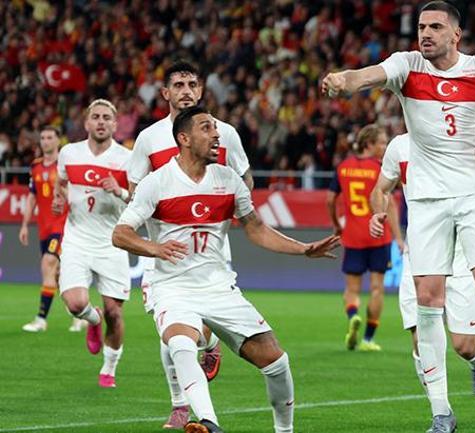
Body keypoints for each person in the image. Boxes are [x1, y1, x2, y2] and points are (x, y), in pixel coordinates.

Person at [322, 2, 475, 430]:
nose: (426, 33)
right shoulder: (407, 66)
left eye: (436, 27)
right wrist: (345, 80)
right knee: (427, 301)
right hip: (426, 203)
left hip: (474, 195)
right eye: (422, 26)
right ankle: (441, 412)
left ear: (456, 34)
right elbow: (367, 76)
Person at [113, 106, 339, 433]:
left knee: (276, 362)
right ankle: (209, 422)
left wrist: (303, 249)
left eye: (216, 128)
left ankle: (284, 430)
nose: (217, 134)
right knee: (181, 345)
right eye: (207, 128)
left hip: (220, 288)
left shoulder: (229, 180)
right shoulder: (156, 183)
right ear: (184, 138)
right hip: (174, 288)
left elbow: (256, 229)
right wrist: (155, 248)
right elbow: (121, 233)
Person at [127, 60, 253, 429]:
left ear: (201, 90)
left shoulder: (225, 134)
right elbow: (135, 188)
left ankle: (210, 345)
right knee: (172, 334)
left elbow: (244, 179)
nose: (186, 90)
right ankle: (180, 405)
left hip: (211, 252)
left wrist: (231, 213)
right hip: (165, 252)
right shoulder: (149, 138)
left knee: (196, 333)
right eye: (179, 85)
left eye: (192, 84)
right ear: (165, 93)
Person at [370, 132, 475, 403]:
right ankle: (440, 410)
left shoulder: (467, 138)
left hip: (461, 254)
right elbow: (379, 190)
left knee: (464, 346)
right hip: (420, 251)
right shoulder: (400, 146)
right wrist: (377, 213)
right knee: (420, 339)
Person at [53, 99, 133, 388]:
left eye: (106, 117)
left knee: (115, 312)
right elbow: (61, 183)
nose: (101, 121)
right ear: (86, 123)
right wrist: (59, 199)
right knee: (76, 304)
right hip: (77, 239)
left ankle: (109, 369)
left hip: (112, 242)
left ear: (115, 124)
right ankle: (92, 318)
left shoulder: (127, 159)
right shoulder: (69, 153)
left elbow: (139, 199)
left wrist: (119, 190)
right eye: (96, 117)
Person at [326, 124, 401, 351]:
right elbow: (390, 205)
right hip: (378, 236)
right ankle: (368, 339)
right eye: (382, 143)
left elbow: (330, 199)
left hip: (353, 236)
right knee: (377, 289)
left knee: (352, 289)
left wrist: (335, 224)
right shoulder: (380, 169)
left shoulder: (343, 167)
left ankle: (353, 316)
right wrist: (398, 237)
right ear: (369, 144)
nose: (385, 147)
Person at [19, 126, 85, 332]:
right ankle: (80, 313)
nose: (45, 141)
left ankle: (41, 319)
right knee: (56, 275)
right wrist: (24, 224)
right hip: (44, 227)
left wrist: (63, 194)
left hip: (63, 225)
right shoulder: (35, 166)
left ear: (58, 141)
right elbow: (32, 196)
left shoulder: (65, 166)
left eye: (50, 137)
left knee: (48, 263)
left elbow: (76, 193)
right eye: (43, 138)